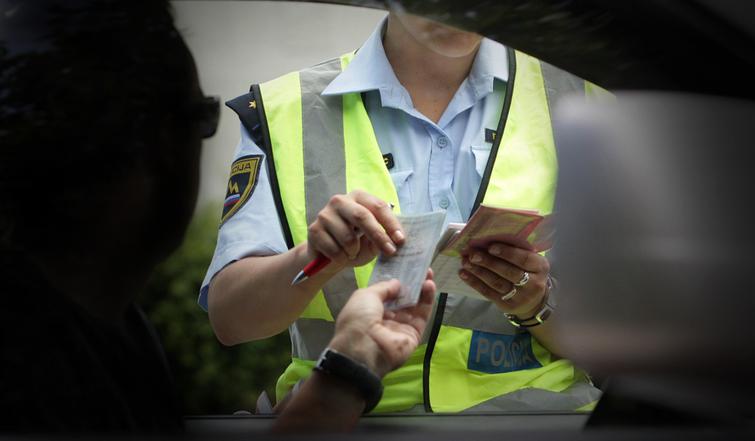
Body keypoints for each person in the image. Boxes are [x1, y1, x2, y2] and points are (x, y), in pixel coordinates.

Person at [0, 0, 435, 433]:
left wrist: (348, 370)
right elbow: (230, 318)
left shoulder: (97, 330)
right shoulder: (45, 365)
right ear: (157, 146)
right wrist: (346, 368)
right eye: (203, 117)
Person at [203, 9, 603, 413]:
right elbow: (230, 319)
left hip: (541, 422)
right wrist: (312, 259)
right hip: (345, 419)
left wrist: (537, 305)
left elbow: (637, 344)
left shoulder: (584, 100)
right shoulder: (283, 109)